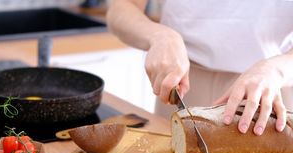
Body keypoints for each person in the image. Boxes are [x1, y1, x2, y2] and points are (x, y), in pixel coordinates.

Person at [106, 0, 293, 136]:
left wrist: (275, 71)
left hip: (271, 90)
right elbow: (121, 7)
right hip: (183, 85)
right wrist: (159, 36)